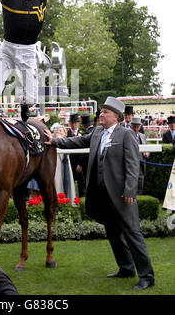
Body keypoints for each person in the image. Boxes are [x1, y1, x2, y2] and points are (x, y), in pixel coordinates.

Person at [44, 96, 155, 290]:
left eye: (105, 112)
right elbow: (76, 141)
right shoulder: (97, 132)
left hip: (122, 195)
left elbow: (132, 165)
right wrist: (55, 141)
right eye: (101, 111)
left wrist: (130, 189)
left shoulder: (125, 134)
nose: (101, 114)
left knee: (132, 234)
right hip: (103, 196)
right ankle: (126, 268)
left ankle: (147, 276)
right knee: (113, 233)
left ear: (116, 117)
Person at [76, 114, 94, 197]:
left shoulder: (86, 133)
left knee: (85, 184)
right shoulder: (95, 131)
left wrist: (80, 164)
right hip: (94, 161)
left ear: (83, 125)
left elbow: (84, 152)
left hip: (86, 163)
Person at [67, 114, 85, 197]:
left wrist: (80, 163)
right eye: (72, 123)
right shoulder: (67, 133)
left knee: (81, 184)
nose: (74, 125)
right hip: (70, 162)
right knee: (70, 182)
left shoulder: (82, 133)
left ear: (78, 123)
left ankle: (82, 200)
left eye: (75, 123)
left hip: (79, 162)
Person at [130, 116, 149, 194]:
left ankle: (139, 196)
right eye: (134, 127)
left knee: (141, 180)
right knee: (131, 180)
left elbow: (146, 147)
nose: (136, 129)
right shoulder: (127, 135)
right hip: (131, 163)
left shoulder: (142, 136)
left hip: (141, 163)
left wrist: (147, 153)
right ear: (131, 126)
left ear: (140, 127)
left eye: (137, 127)